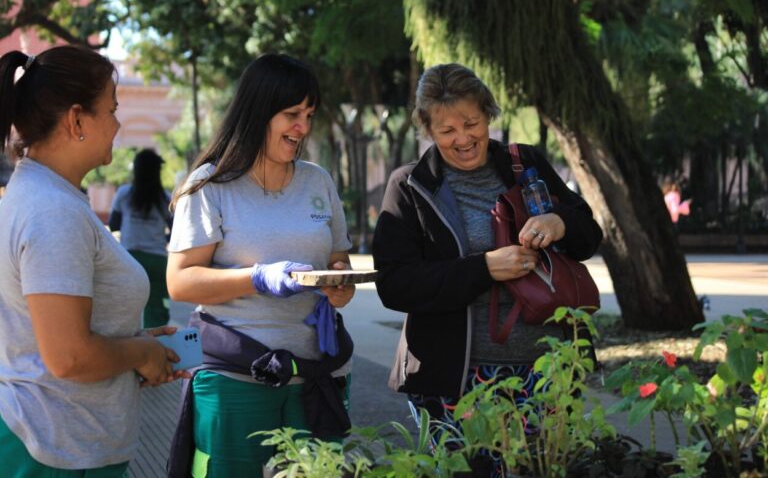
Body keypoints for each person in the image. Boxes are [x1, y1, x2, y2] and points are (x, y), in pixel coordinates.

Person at [372, 63, 603, 476]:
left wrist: (560, 221)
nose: (463, 139)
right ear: (427, 129)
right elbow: (395, 284)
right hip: (454, 381)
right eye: (447, 131)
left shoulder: (524, 164)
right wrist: (483, 269)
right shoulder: (409, 186)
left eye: (471, 123)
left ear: (488, 113)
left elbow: (589, 234)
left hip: (545, 371)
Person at [166, 53, 355, 476]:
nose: (302, 127)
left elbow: (335, 257)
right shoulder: (209, 186)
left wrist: (340, 280)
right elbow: (179, 283)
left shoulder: (317, 181)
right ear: (257, 111)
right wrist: (258, 278)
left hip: (316, 377)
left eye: (308, 114)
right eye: (291, 114)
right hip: (235, 378)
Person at [0, 45, 186, 476]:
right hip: (54, 452)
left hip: (62, 443)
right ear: (77, 119)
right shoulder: (52, 211)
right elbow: (69, 356)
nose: (118, 124)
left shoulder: (50, 197)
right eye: (112, 109)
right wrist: (140, 351)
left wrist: (137, 343)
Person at [109, 148, 173, 328]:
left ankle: (129, 350)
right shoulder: (165, 199)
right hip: (157, 260)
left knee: (126, 308)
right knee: (157, 312)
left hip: (130, 258)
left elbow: (113, 224)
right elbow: (176, 232)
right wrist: (160, 237)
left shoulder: (124, 194)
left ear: (135, 170)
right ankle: (159, 349)